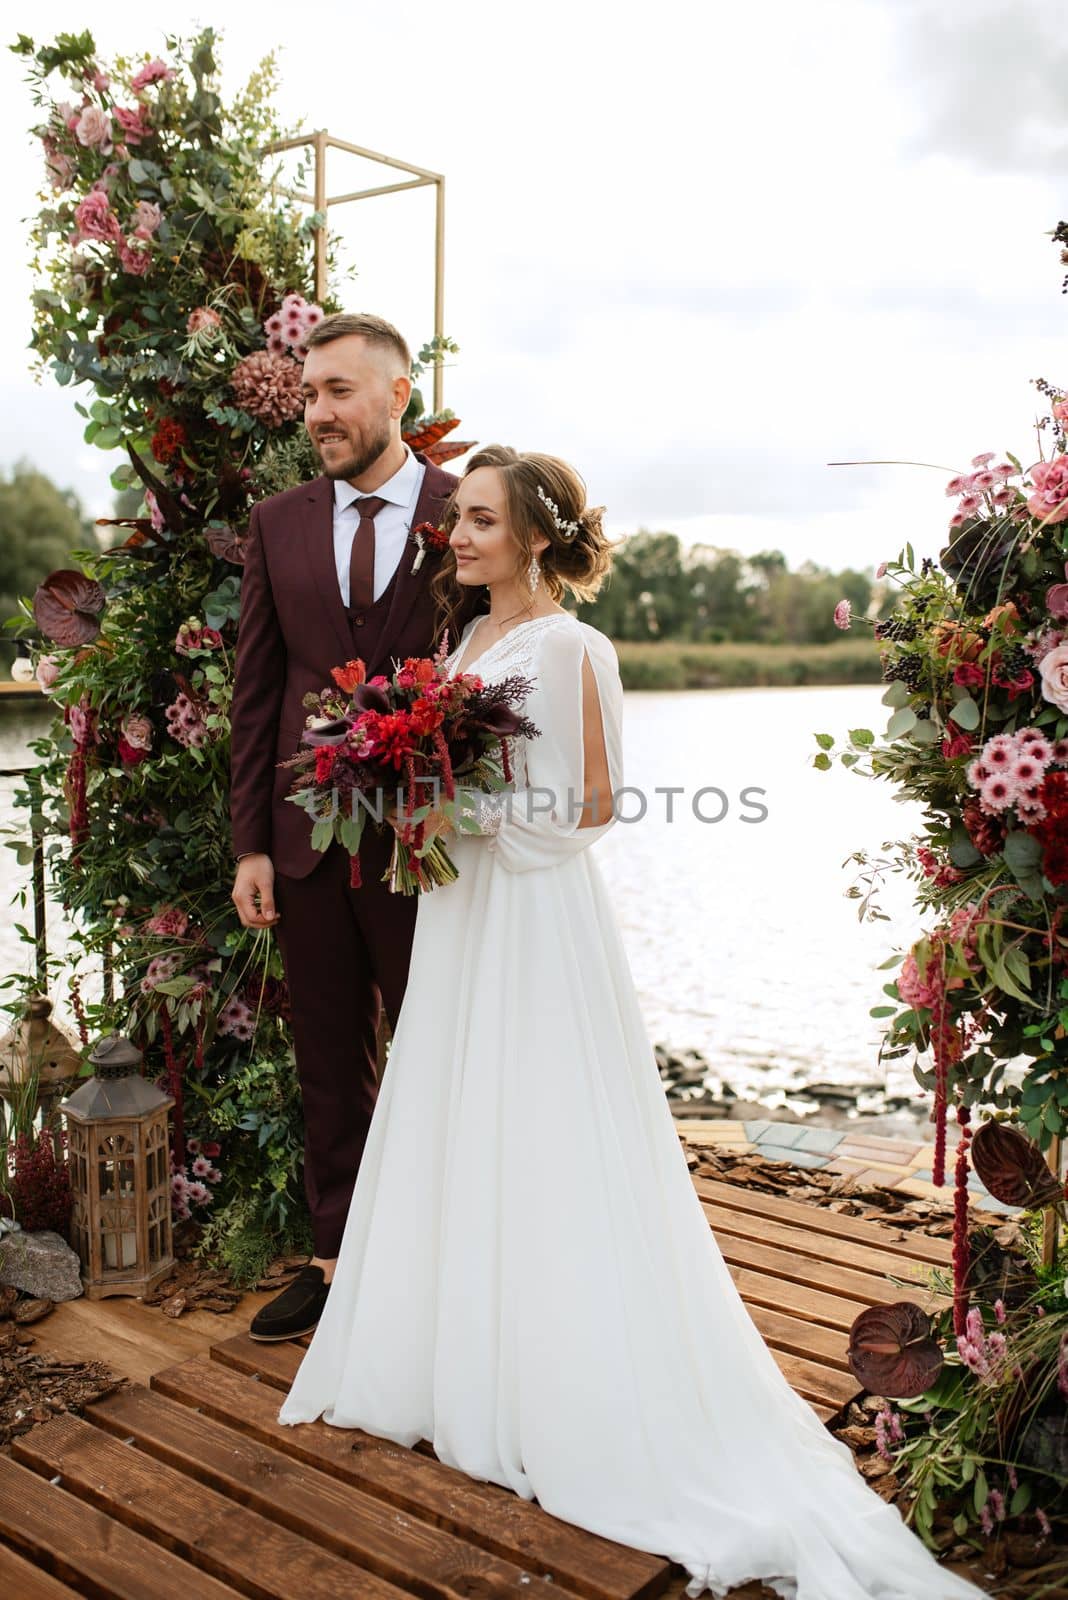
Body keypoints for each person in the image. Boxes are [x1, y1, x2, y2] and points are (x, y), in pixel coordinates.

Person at [274, 445, 987, 1599]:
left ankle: (567, 1373)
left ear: (539, 536)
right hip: (463, 914)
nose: (459, 536)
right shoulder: (459, 644)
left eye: (484, 521)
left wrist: (472, 810)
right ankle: (466, 1359)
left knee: (548, 1125)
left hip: (535, 915)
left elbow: (596, 804)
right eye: (459, 521)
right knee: (466, 1119)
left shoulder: (572, 646)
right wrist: (416, 805)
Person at [229, 312, 484, 1341]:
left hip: (429, 843)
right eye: (311, 393)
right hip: (301, 845)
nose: (318, 412)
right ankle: (336, 1265)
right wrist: (251, 840)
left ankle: (453, 1259)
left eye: (338, 391)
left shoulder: (466, 511)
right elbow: (256, 696)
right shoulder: (276, 522)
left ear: (397, 394)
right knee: (326, 1057)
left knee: (444, 1050)